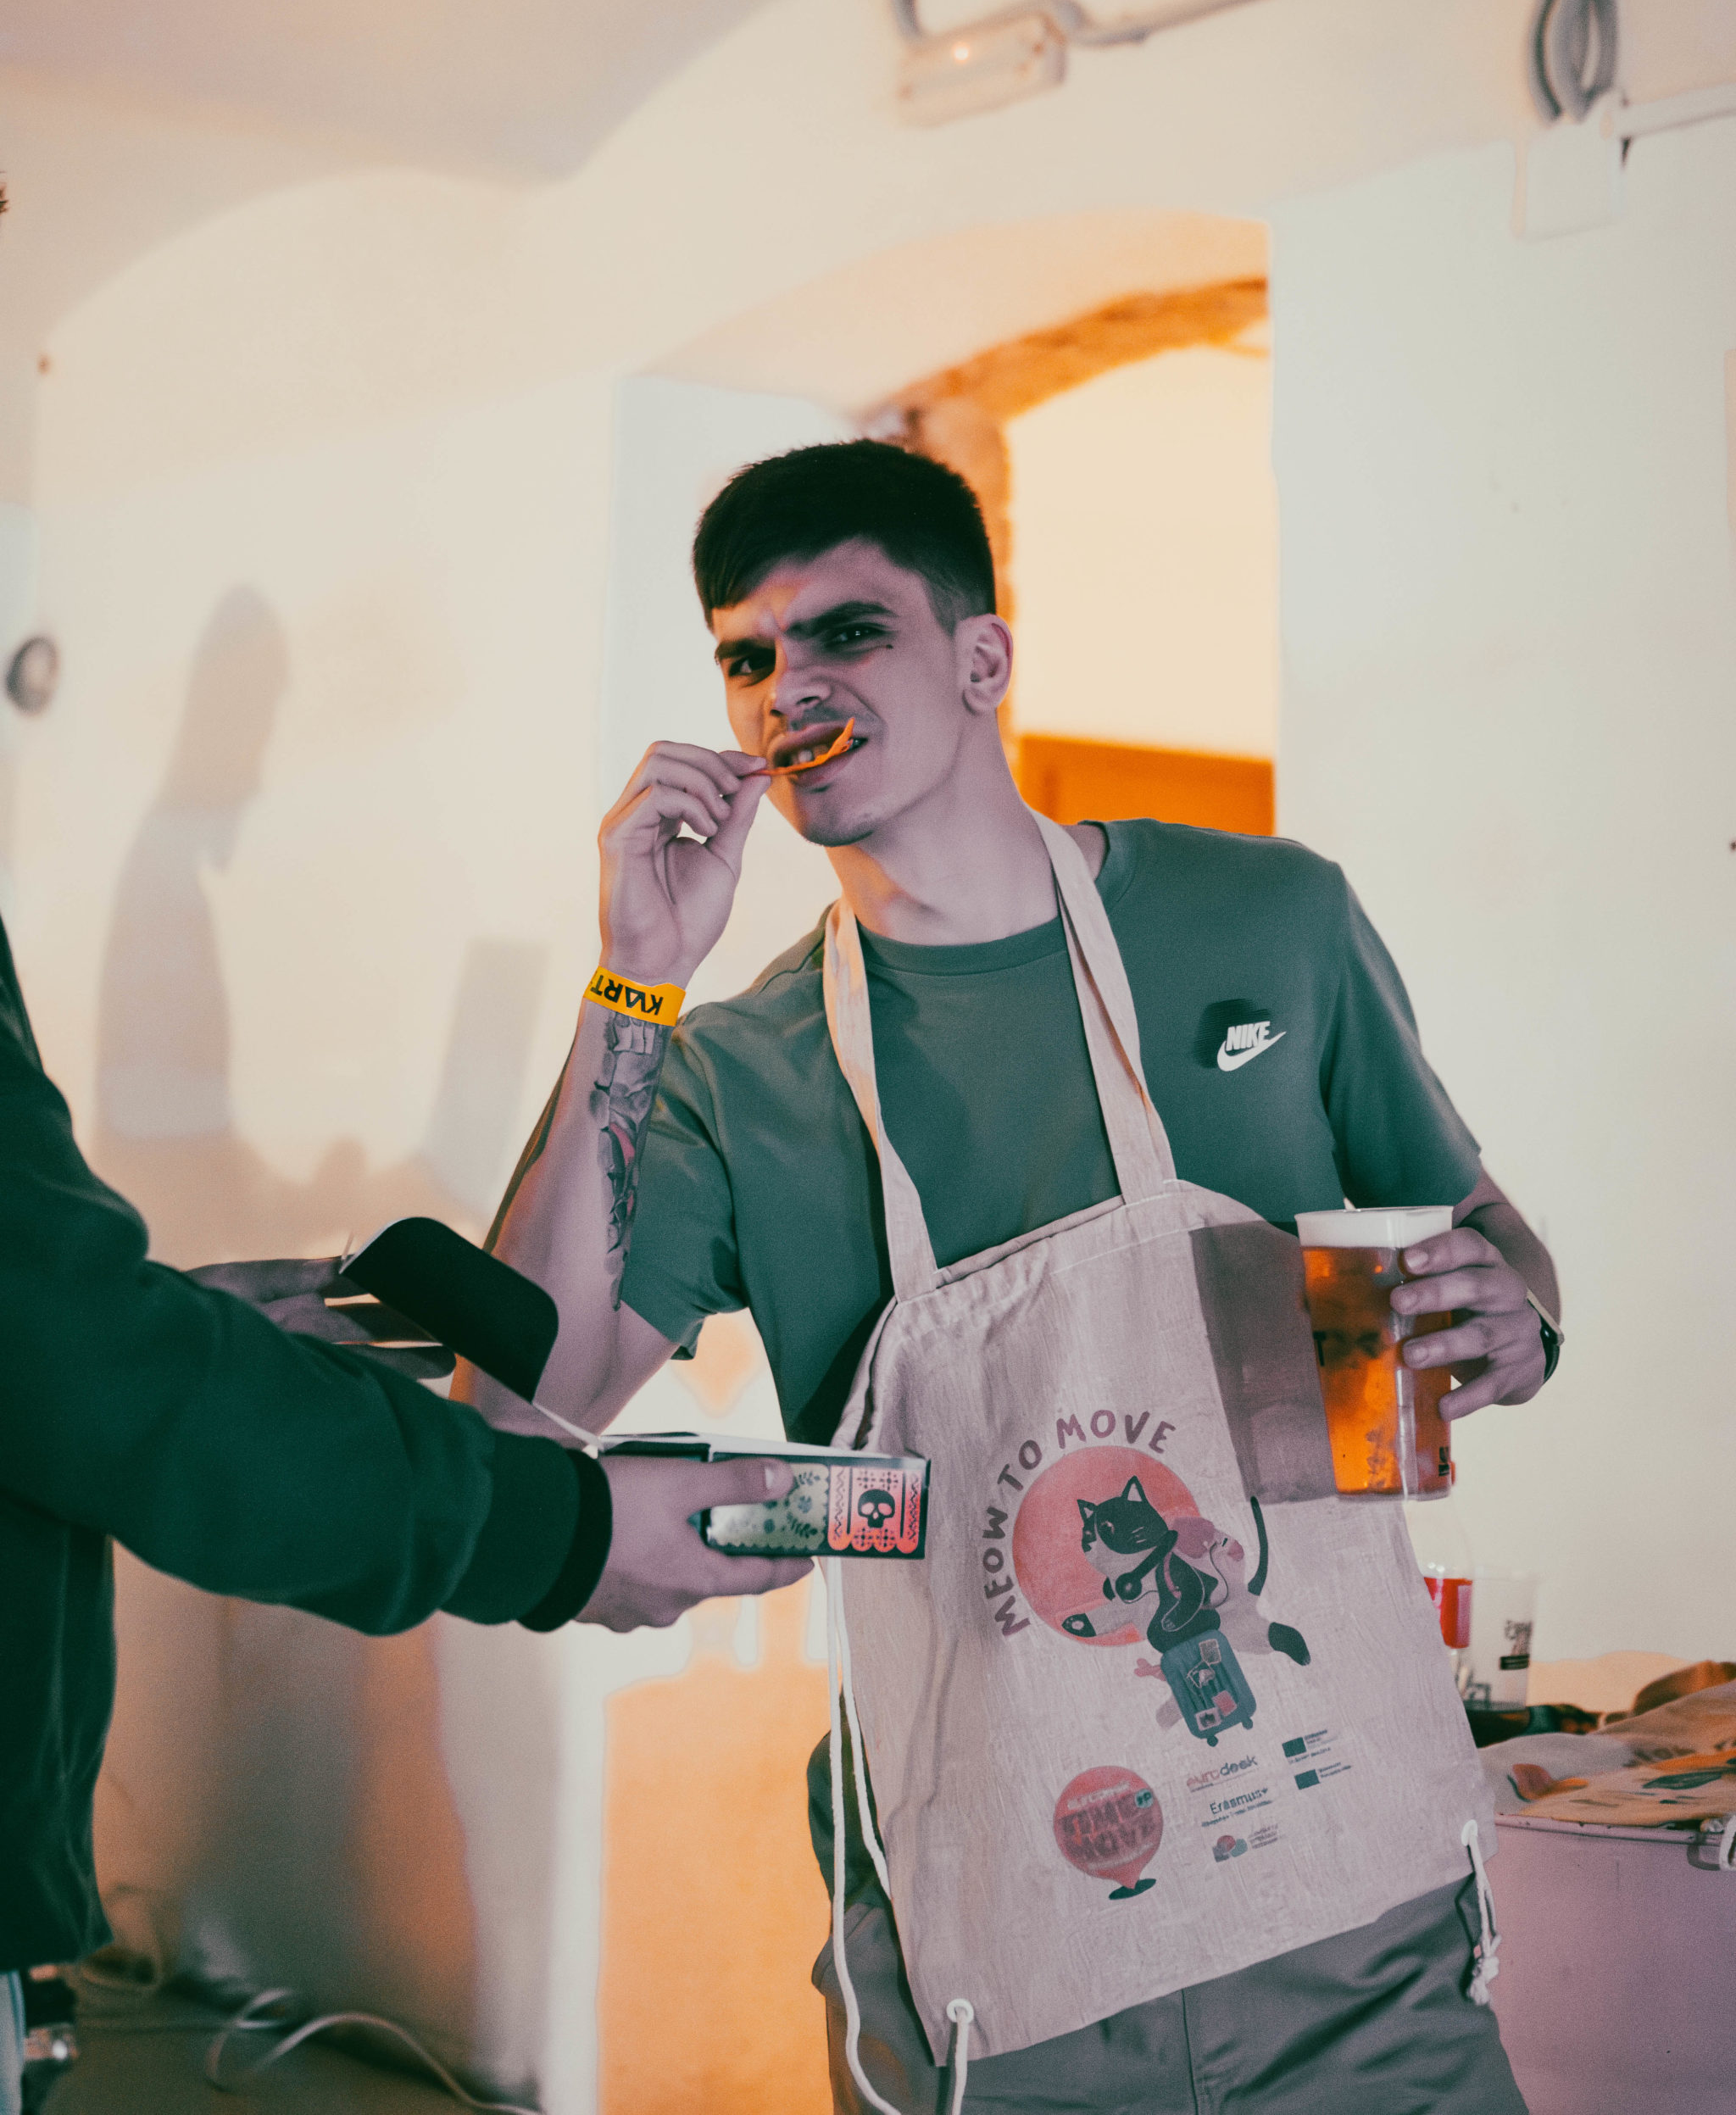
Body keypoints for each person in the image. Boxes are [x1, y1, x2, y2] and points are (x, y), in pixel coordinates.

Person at [472, 440, 1561, 2111]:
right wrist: (635, 978)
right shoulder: (735, 1069)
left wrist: (1518, 1316)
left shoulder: (1268, 918)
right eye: (747, 657)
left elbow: (1480, 1231)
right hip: (994, 1922)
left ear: (982, 658)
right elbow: (523, 1402)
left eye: (847, 632)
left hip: (1351, 1894)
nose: (787, 687)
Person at [0, 913, 804, 2115]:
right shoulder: (754, 1058)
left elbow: (49, 1340)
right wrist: (556, 1534)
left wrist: (147, 1319)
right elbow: (537, 1403)